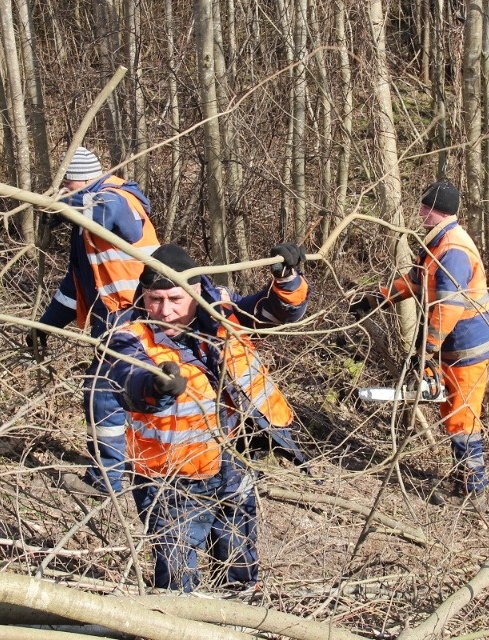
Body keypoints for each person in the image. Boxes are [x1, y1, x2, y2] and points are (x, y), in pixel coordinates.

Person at [101, 242, 310, 592]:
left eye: (174, 300)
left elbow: (278, 312)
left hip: (232, 460)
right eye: (155, 299)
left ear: (195, 293)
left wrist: (286, 279)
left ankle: (242, 613)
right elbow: (125, 379)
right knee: (178, 574)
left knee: (239, 557)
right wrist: (155, 386)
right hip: (168, 477)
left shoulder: (223, 317)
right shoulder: (129, 336)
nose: (163, 311)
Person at [350, 179, 489, 512]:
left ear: (435, 210)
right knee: (451, 415)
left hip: (467, 348)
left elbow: (449, 307)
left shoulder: (454, 250)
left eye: (423, 207)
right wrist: (375, 299)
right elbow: (416, 282)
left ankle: (475, 494)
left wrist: (425, 349)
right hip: (451, 347)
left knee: (463, 420)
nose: (419, 212)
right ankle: (464, 481)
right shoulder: (436, 244)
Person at [29, 146, 160, 494]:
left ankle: (107, 480)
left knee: (104, 393)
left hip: (133, 315)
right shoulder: (85, 219)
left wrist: (64, 207)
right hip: (116, 315)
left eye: (68, 186)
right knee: (126, 393)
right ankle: (141, 466)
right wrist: (46, 325)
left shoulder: (117, 198)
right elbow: (78, 284)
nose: (65, 192)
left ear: (83, 179)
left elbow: (108, 213)